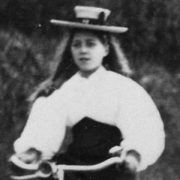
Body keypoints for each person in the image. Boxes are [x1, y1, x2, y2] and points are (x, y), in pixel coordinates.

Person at [10, 5, 165, 180]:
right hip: (76, 166)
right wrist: (32, 152)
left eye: (90, 44)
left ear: (105, 48)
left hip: (113, 167)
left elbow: (143, 126)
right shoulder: (65, 91)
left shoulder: (124, 89)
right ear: (71, 50)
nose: (83, 50)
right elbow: (46, 124)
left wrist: (133, 156)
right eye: (77, 45)